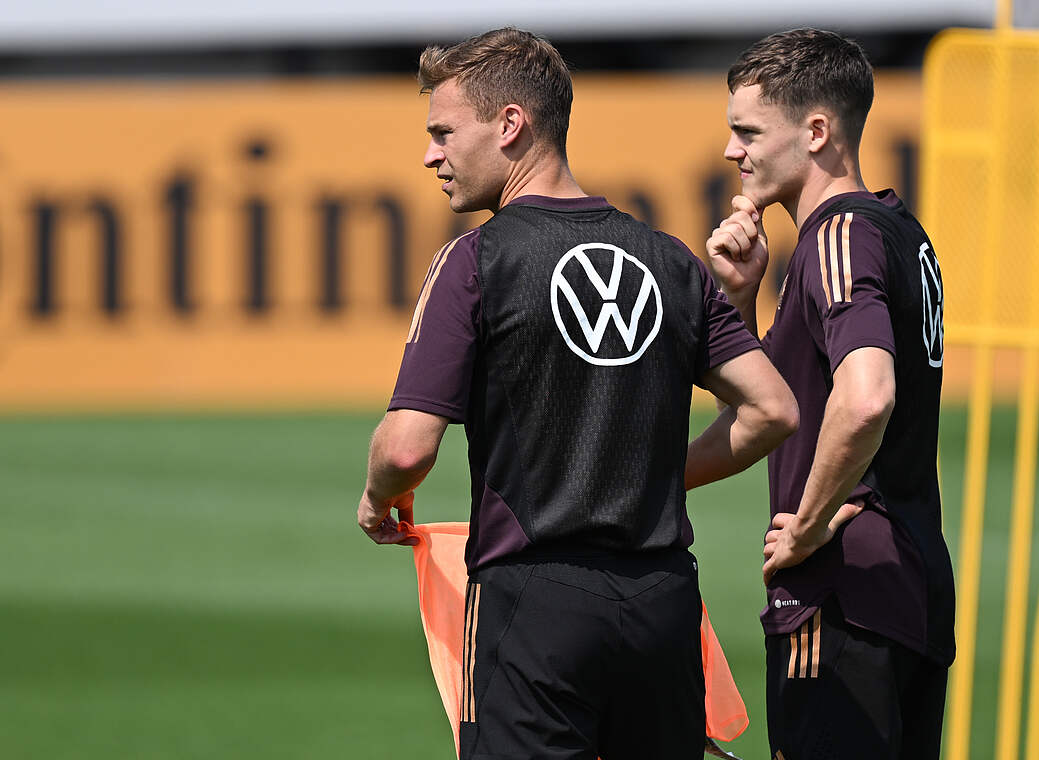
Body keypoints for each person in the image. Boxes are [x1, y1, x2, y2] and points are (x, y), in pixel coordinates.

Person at [356, 28, 798, 760]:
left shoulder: (476, 262)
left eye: (442, 132)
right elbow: (772, 409)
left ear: (509, 126)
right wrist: (657, 476)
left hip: (534, 604)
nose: (430, 155)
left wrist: (377, 495)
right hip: (662, 602)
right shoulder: (669, 259)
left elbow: (407, 448)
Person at [702, 28, 955, 759]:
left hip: (846, 592)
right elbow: (768, 416)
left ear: (817, 131)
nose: (731, 151)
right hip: (908, 582)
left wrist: (808, 523)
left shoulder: (836, 235)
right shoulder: (895, 228)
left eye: (747, 131)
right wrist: (742, 304)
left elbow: (867, 395)